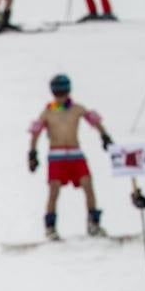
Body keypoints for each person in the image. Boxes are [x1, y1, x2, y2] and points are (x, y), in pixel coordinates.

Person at [27, 73, 113, 240]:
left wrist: (105, 136)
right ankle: (50, 227)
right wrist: (32, 153)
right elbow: (35, 133)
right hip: (57, 156)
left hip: (75, 154)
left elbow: (94, 121)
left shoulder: (76, 109)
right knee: (54, 190)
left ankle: (93, 223)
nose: (61, 95)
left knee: (87, 185)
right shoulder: (47, 112)